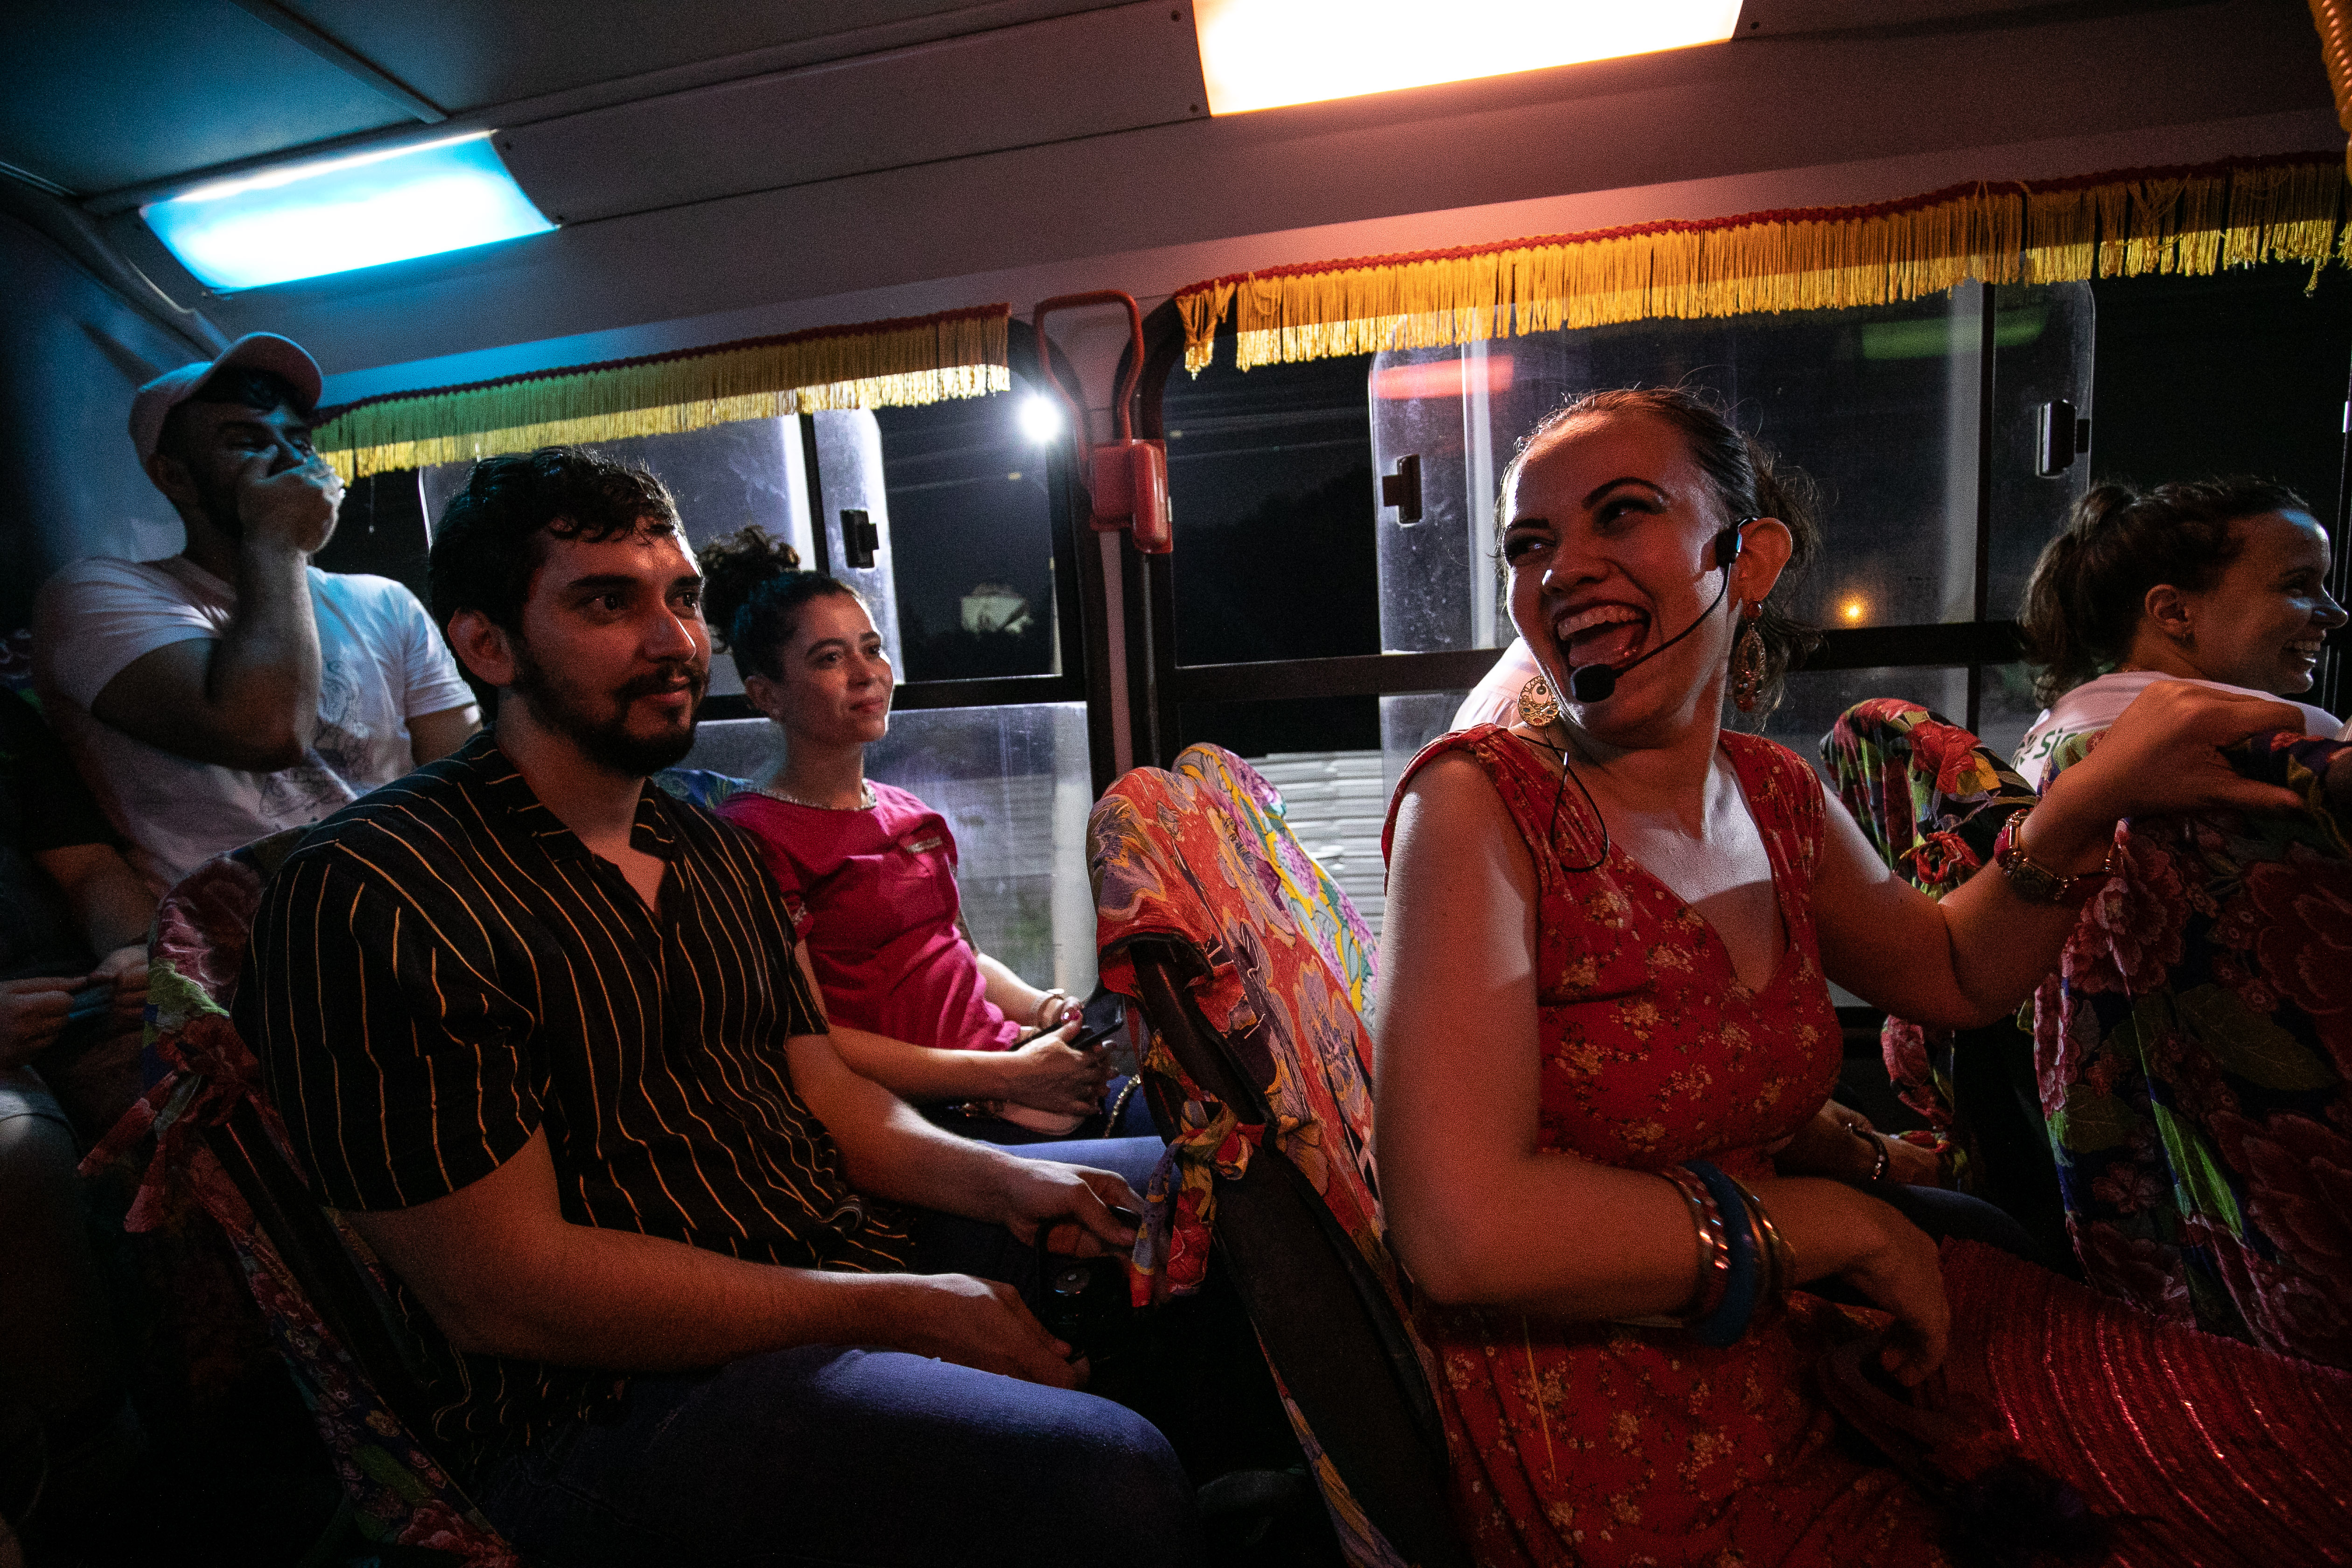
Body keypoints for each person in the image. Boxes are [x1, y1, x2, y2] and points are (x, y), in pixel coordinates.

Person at [1375, 386, 2338, 1566]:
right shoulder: (1479, 804)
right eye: (1531, 545)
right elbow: (1461, 1232)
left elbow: (1954, 971)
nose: (1563, 569)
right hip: (1609, 1417)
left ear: (1749, 558)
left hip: (1795, 1339)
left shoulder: (1774, 796)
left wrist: (2092, 798)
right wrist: (1842, 1229)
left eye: (1621, 514)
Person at [235, 447, 1199, 1568]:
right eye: (607, 603)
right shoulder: (378, 889)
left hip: (831, 1242)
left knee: (1195, 1203)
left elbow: (829, 1096)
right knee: (1105, 1478)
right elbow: (508, 1293)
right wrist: (901, 1308)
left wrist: (1007, 1182)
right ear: (487, 645)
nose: (675, 642)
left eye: (683, 599)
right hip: (603, 1397)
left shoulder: (714, 851)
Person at [698, 526, 1152, 1144]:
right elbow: (814, 1042)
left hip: (1007, 1070)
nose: (866, 673)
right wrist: (1010, 1076)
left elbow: (961, 956)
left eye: (872, 648)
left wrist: (1048, 1013)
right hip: (935, 1115)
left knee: (1219, 1121)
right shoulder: (751, 838)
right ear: (766, 695)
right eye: (829, 658)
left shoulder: (909, 814)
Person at [32, 333, 479, 896]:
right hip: (235, 927)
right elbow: (264, 733)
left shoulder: (385, 602)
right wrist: (277, 542)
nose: (289, 460)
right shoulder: (96, 594)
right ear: (174, 477)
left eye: (299, 440)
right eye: (246, 442)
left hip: (404, 898)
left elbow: (460, 777)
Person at [0, 686, 154, 1547]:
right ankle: (101, 1483)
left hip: (70, 999)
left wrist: (131, 950)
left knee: (225, 1067)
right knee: (16, 1152)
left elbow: (90, 869)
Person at [2011, 476, 2346, 790]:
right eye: (2297, 586)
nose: (2337, 615)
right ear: (2174, 612)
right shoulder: (2296, 732)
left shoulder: (2052, 723)